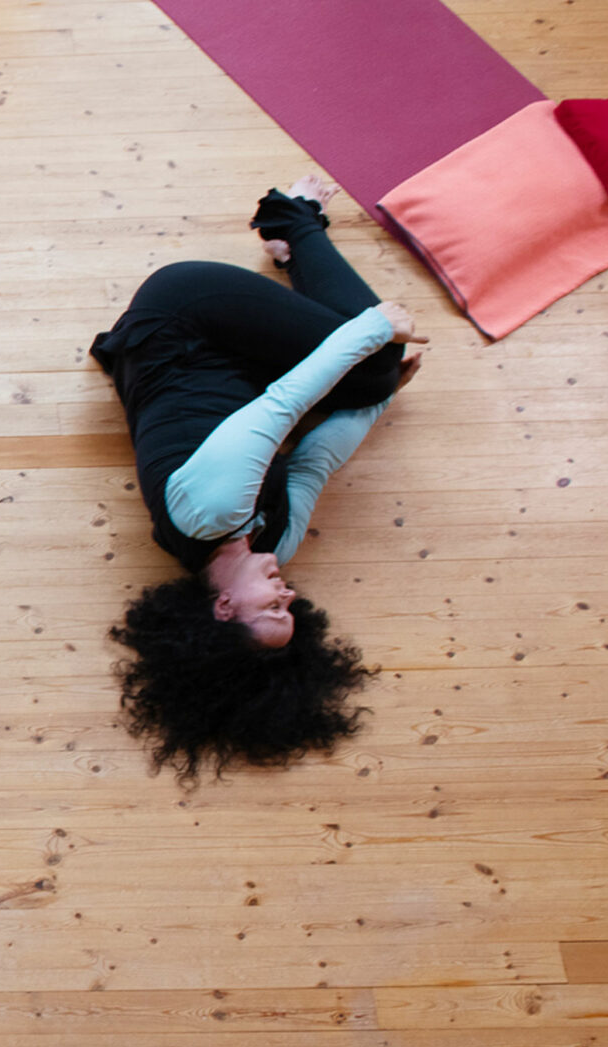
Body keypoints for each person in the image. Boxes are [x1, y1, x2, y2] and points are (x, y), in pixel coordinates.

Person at [88, 176, 430, 782]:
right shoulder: (276, 542)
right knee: (371, 383)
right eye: (291, 609)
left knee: (369, 357)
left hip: (183, 315)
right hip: (232, 363)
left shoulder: (209, 512)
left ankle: (292, 219)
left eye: (272, 610)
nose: (288, 595)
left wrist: (375, 331)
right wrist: (381, 402)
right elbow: (316, 459)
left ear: (223, 608)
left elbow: (282, 408)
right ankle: (293, 258)